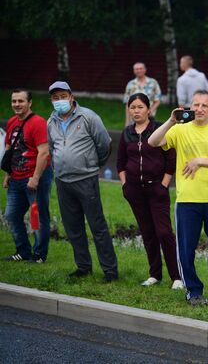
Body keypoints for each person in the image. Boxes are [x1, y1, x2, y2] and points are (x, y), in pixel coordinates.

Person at [148, 90, 208, 306]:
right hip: (188, 200)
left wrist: (199, 161)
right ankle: (193, 292)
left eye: (204, 105)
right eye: (195, 105)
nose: (199, 109)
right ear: (189, 107)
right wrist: (170, 120)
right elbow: (152, 141)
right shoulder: (180, 130)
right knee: (186, 250)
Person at [47, 81, 118, 282]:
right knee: (73, 227)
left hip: (86, 179)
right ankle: (83, 266)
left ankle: (110, 271)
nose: (59, 100)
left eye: (62, 96)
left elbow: (105, 144)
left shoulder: (88, 116)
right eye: (55, 97)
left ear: (71, 96)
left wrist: (93, 164)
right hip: (62, 181)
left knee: (98, 226)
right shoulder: (50, 122)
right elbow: (52, 149)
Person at [116, 93, 183, 290]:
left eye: (140, 107)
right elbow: (120, 162)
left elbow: (171, 159)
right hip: (135, 190)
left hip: (157, 189)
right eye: (132, 107)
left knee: (164, 232)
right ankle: (155, 274)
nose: (136, 111)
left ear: (148, 109)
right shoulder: (127, 133)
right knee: (147, 233)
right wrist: (125, 184)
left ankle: (176, 277)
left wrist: (164, 184)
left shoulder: (158, 129)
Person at [2, 89, 53, 263]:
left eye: (21, 101)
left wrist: (36, 178)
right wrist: (8, 173)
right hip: (16, 176)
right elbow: (10, 148)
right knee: (12, 215)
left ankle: (39, 255)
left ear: (29, 103)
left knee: (38, 217)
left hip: (36, 176)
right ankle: (23, 251)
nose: (17, 104)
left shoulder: (38, 123)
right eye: (14, 101)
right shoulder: (11, 122)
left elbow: (44, 153)